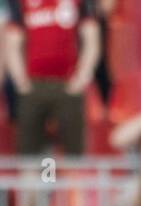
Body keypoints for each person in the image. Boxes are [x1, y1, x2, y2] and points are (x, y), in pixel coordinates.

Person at [5, 0, 101, 155]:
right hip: (33, 86)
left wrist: (81, 79)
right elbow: (13, 41)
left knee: (74, 155)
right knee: (29, 156)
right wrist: (21, 82)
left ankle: (63, 178)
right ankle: (40, 178)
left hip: (68, 86)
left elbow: (91, 38)